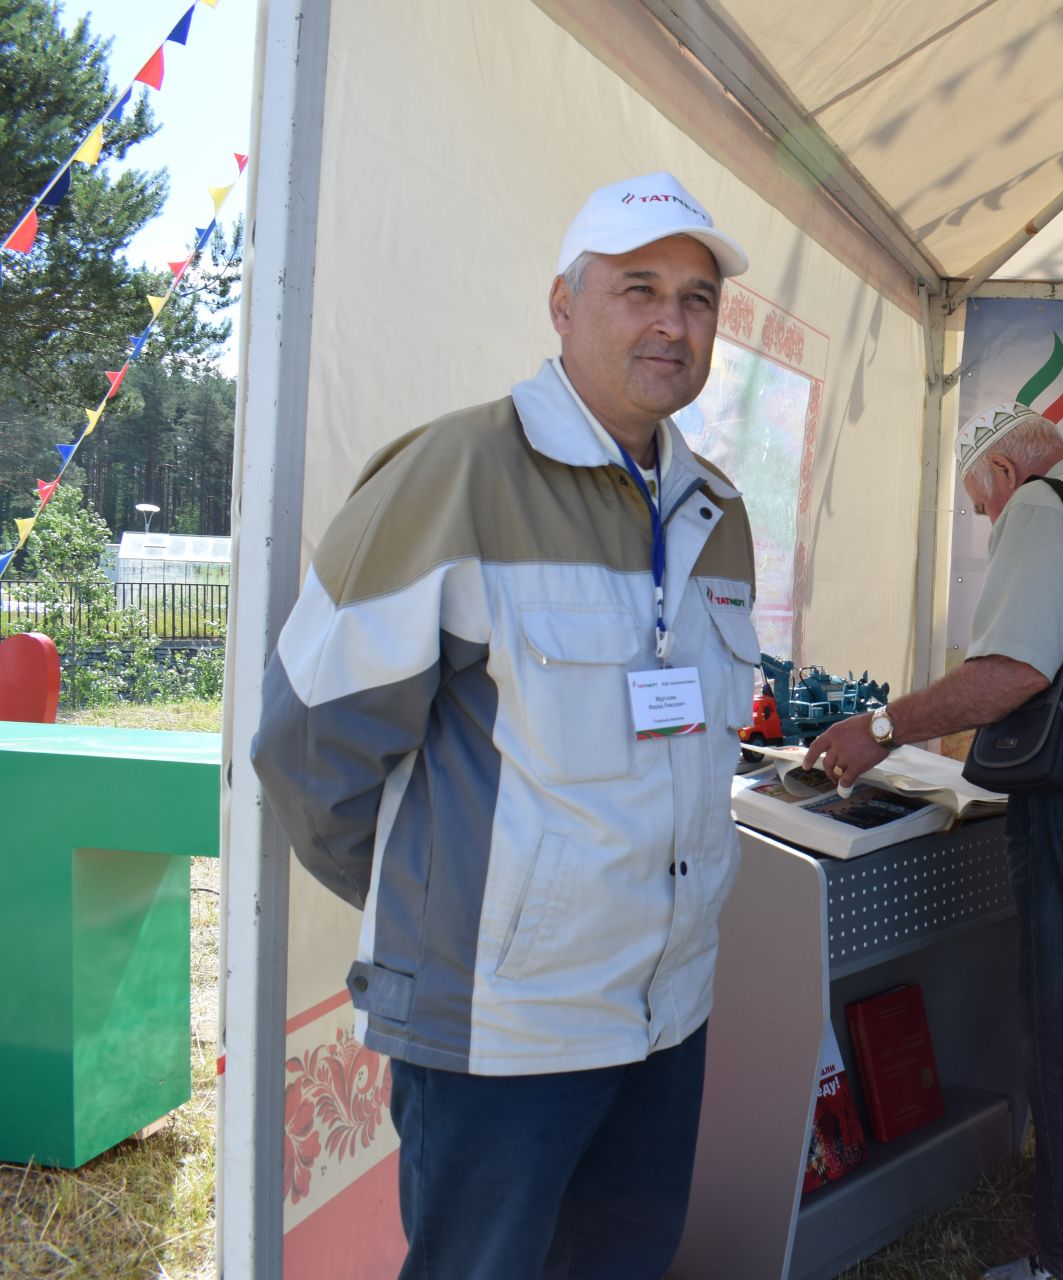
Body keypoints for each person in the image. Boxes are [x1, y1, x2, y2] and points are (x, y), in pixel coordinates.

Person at [251, 172, 760, 1279]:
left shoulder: (718, 512)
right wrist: (443, 914)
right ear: (563, 305)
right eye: (639, 289)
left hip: (664, 1015)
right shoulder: (456, 473)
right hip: (502, 1032)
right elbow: (307, 745)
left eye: (699, 297)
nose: (674, 320)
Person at [805, 402, 1063, 1280]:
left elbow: (1013, 672)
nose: (989, 524)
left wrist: (879, 728)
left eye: (978, 505)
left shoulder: (1040, 503)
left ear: (1001, 473)